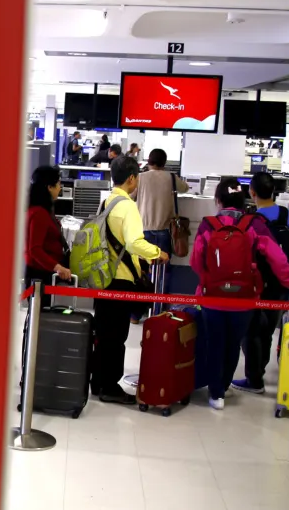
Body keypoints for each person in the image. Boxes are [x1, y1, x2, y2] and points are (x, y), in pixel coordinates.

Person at [190, 177, 289, 410]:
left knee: (215, 343)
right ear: (243, 199)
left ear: (218, 200)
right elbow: (276, 257)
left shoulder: (208, 224)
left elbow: (196, 260)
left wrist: (208, 280)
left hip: (212, 298)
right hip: (244, 299)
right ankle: (224, 385)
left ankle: (215, 392)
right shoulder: (255, 224)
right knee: (233, 343)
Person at [90, 156, 168, 404]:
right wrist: (157, 252)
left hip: (103, 277)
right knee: (116, 336)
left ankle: (98, 382)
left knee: (103, 334)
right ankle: (110, 388)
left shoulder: (107, 201)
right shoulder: (127, 206)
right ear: (132, 178)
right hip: (120, 279)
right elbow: (134, 243)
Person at [231, 173, 289, 394]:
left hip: (256, 284)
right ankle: (258, 371)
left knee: (251, 331)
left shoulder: (250, 220)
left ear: (251, 192)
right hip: (280, 283)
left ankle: (254, 379)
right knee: (269, 330)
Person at [132, 149, 189, 323]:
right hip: (164, 231)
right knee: (163, 273)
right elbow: (185, 188)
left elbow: (131, 195)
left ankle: (135, 314)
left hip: (144, 231)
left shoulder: (140, 178)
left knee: (141, 272)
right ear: (165, 162)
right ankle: (157, 312)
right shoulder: (171, 177)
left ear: (149, 160)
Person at [24, 166, 72, 308]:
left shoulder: (41, 210)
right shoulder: (39, 214)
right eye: (58, 184)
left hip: (42, 273)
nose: (60, 187)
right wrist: (58, 267)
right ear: (49, 187)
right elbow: (35, 249)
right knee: (39, 318)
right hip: (39, 275)